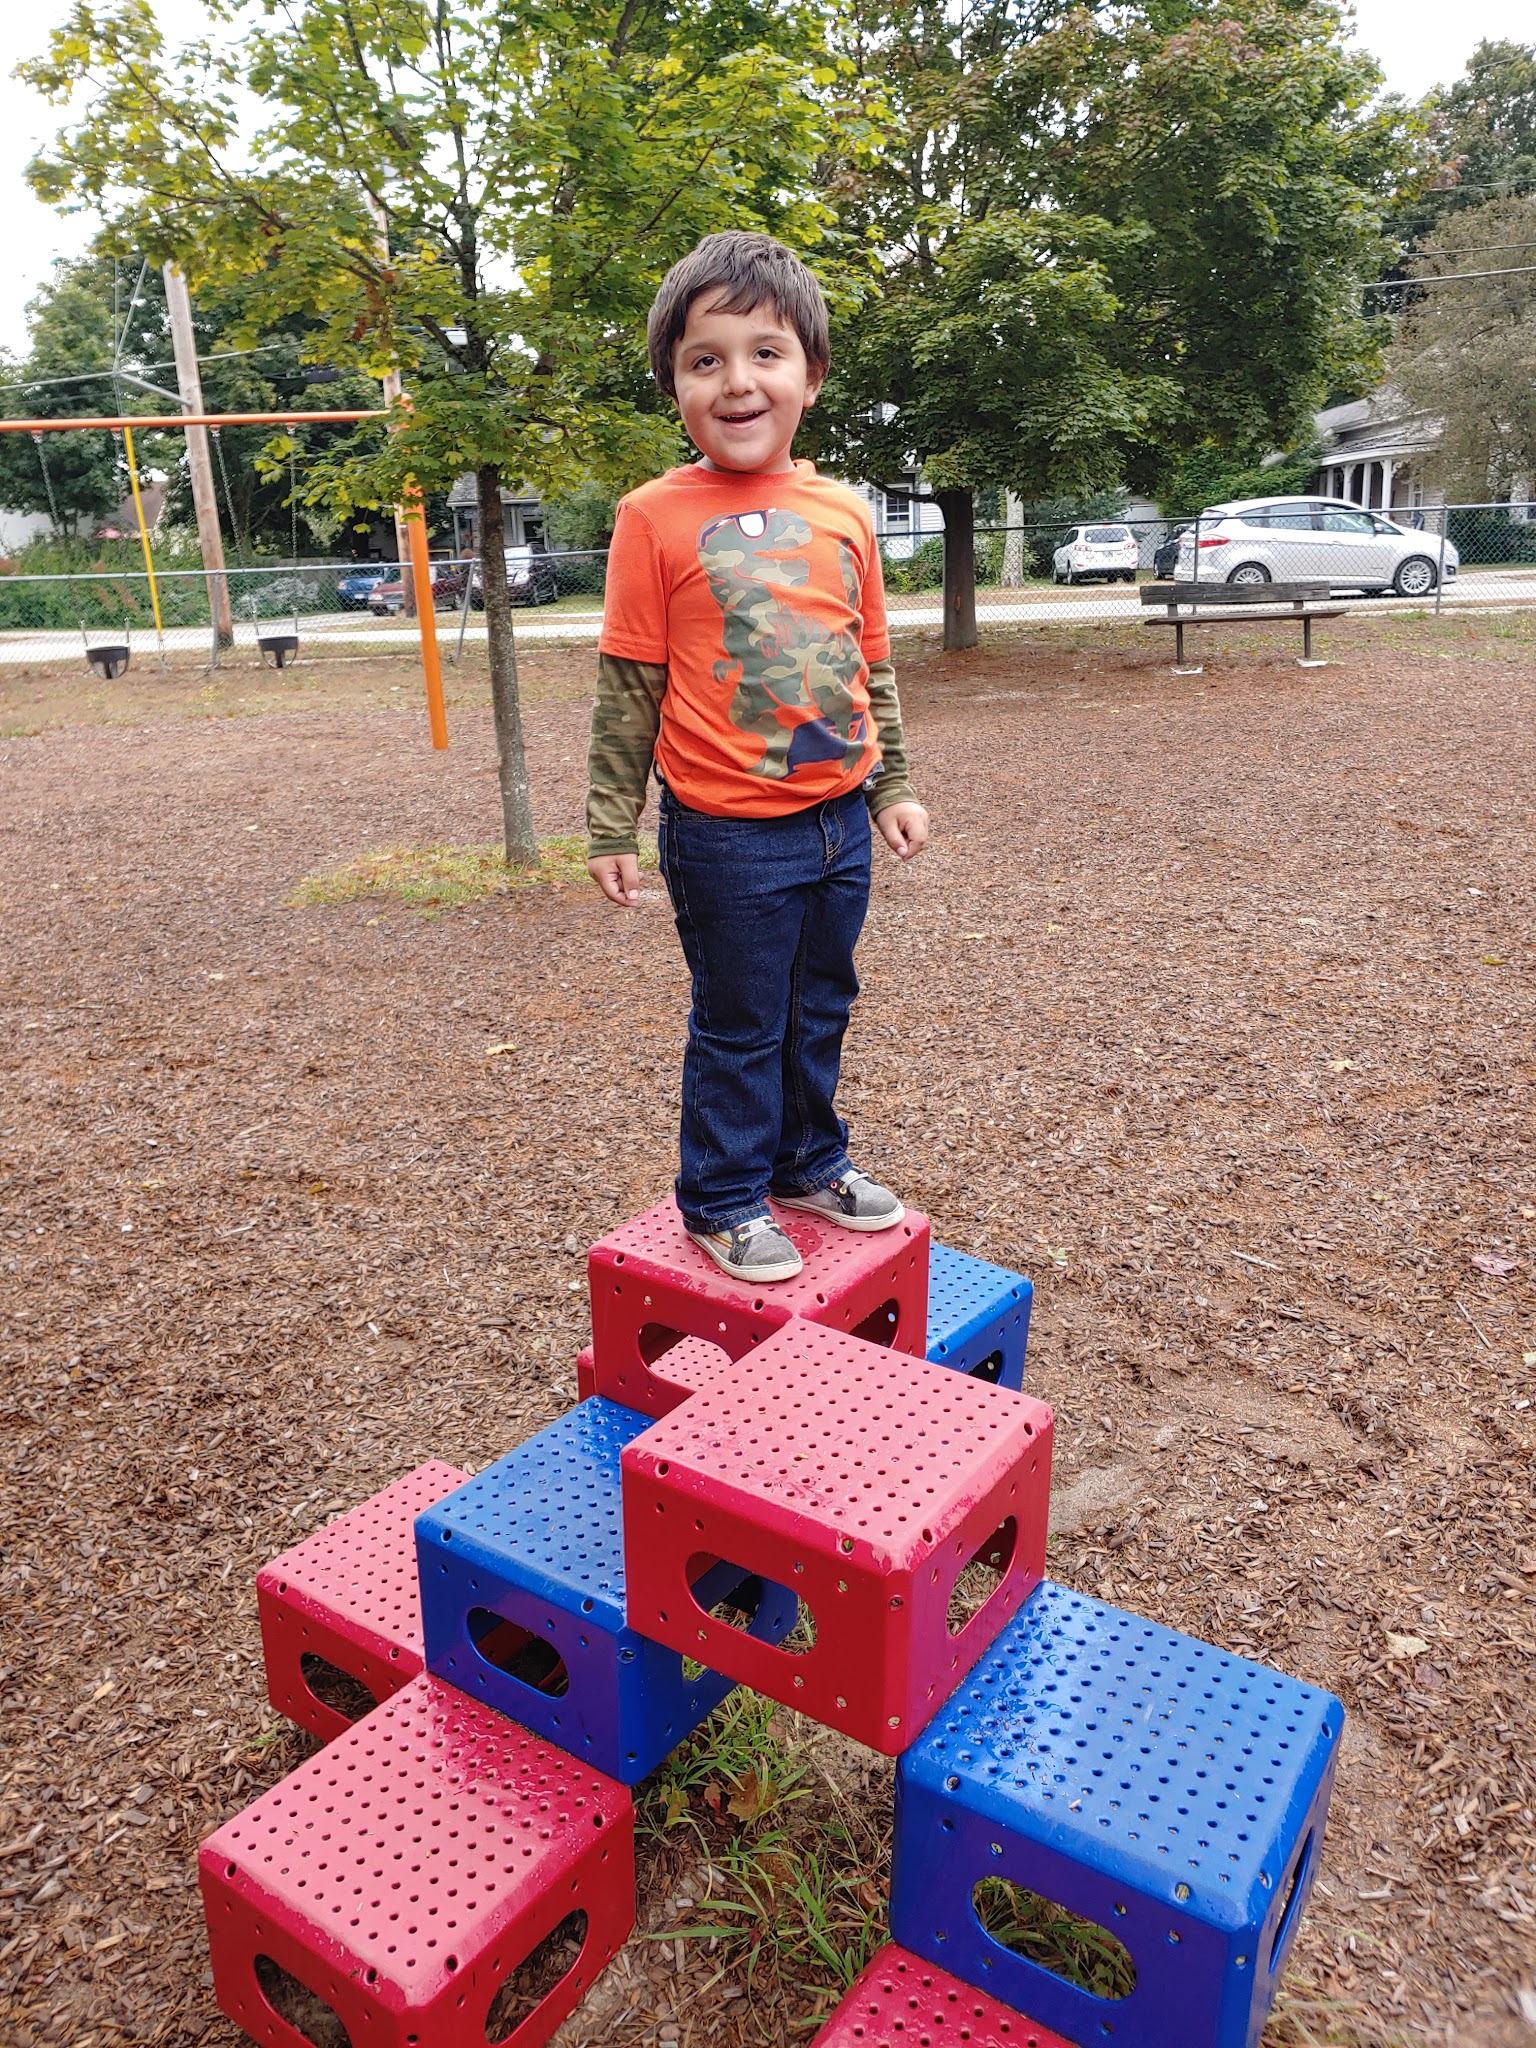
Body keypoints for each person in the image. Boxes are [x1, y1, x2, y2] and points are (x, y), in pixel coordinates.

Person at [585, 230, 929, 1284]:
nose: (738, 381)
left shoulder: (846, 513)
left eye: (765, 352)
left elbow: (866, 661)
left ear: (811, 375)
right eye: (706, 359)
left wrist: (893, 783)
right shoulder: (653, 518)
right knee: (740, 1024)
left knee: (822, 1001)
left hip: (837, 825)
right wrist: (610, 821)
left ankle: (805, 1162)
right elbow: (630, 678)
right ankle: (723, 1196)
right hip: (727, 835)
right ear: (677, 386)